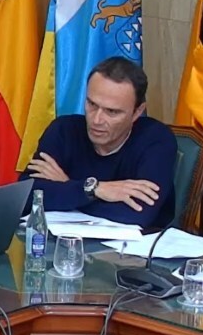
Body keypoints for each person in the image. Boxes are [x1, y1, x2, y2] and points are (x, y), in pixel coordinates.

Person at [19, 56, 177, 228]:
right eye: (92, 104)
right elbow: (25, 197)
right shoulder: (63, 130)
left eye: (112, 111)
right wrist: (95, 189)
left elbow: (138, 215)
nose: (96, 120)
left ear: (137, 112)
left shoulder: (156, 140)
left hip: (132, 252)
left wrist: (68, 187)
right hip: (64, 246)